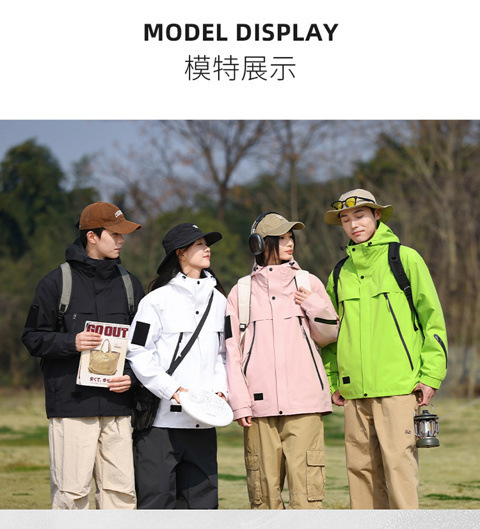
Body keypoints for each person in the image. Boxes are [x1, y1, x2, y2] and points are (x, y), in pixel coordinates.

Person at [322, 189, 448, 510]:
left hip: (399, 387)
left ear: (377, 215)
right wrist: (334, 381)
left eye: (360, 216)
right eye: (345, 220)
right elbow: (329, 335)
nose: (353, 225)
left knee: (399, 470)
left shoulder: (405, 259)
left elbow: (432, 322)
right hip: (354, 393)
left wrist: (431, 376)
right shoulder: (339, 273)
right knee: (360, 473)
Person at [22, 201, 145, 509]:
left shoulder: (130, 284)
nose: (121, 240)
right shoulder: (56, 282)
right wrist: (71, 342)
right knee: (72, 494)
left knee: (122, 495)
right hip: (71, 406)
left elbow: (144, 346)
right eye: (114, 234)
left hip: (118, 408)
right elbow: (32, 338)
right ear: (92, 236)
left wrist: (131, 378)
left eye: (122, 235)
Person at [225, 212, 339, 509]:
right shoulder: (241, 292)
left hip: (305, 404)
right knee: (264, 498)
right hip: (258, 408)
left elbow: (330, 335)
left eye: (291, 237)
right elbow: (231, 351)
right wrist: (240, 403)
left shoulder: (308, 282)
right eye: (281, 238)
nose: (290, 243)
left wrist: (313, 305)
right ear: (259, 244)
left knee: (307, 498)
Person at [126, 223, 228, 509]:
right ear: (180, 254)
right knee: (157, 505)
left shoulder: (219, 301)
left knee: (202, 507)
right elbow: (137, 351)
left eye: (207, 244)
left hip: (203, 423)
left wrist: (221, 391)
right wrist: (173, 390)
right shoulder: (155, 301)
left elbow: (223, 355)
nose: (207, 249)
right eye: (199, 245)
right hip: (160, 425)